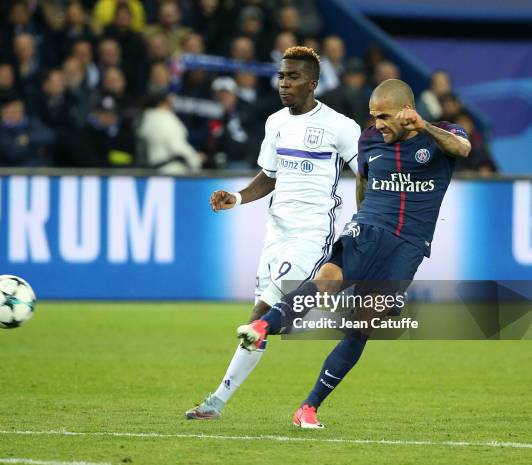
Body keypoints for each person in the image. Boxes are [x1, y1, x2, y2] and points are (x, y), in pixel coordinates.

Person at [237, 79, 471, 428]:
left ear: (408, 111)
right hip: (370, 228)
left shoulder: (441, 133)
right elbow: (363, 181)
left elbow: (463, 149)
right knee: (328, 279)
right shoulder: (370, 139)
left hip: (409, 245)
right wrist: (360, 219)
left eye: (385, 117)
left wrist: (424, 127)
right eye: (374, 116)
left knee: (361, 326)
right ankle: (262, 326)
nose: (378, 124)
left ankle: (308, 408)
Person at [185, 46, 361, 420]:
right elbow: (269, 176)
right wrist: (236, 196)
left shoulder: (340, 126)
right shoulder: (275, 123)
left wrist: (365, 216)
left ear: (313, 83)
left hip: (312, 233)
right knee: (261, 319)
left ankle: (217, 401)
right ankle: (316, 309)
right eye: (281, 75)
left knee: (261, 313)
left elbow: (365, 173)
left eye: (293, 76)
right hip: (276, 232)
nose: (284, 83)